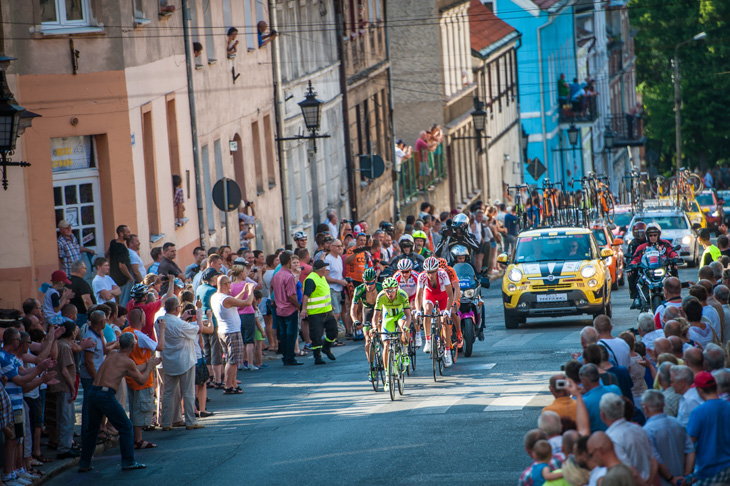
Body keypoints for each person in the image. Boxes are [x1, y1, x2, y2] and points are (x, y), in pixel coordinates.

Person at [78, 332, 161, 473]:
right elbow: (140, 379)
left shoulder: (113, 354)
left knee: (92, 429)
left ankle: (84, 463)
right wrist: (151, 366)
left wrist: (148, 364)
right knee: (126, 427)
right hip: (105, 395)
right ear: (133, 346)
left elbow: (132, 370)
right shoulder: (127, 361)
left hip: (94, 392)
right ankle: (128, 461)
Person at [122, 308, 164, 449]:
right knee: (141, 408)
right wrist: (161, 330)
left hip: (130, 376)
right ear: (142, 320)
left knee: (135, 407)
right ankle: (138, 439)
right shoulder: (139, 335)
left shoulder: (126, 331)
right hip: (142, 377)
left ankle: (136, 438)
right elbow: (160, 347)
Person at [160, 296, 204, 430]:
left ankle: (166, 422)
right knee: (188, 392)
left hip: (169, 360)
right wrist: (199, 311)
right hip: (185, 360)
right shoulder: (181, 324)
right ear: (178, 308)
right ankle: (191, 421)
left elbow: (174, 325)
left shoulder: (160, 321)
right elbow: (199, 329)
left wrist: (182, 318)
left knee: (168, 392)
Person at [641, 389, 695, 486]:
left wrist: (671, 478)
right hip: (682, 480)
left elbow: (655, 459)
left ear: (646, 407)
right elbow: (690, 450)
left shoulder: (647, 430)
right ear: (663, 405)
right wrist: (686, 476)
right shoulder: (677, 423)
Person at [600, 393, 658, 482]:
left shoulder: (610, 438)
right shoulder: (638, 428)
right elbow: (653, 461)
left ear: (602, 415)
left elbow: (631, 472)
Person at [211, 275, 254, 392]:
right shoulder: (225, 299)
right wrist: (250, 291)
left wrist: (243, 291)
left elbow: (234, 302)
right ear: (226, 284)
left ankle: (233, 383)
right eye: (229, 283)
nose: (231, 285)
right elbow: (247, 303)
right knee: (233, 360)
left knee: (231, 359)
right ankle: (228, 386)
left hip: (223, 331)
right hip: (232, 332)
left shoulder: (216, 297)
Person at [686, 371, 730, 484]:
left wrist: (687, 474)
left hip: (708, 470)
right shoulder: (728, 406)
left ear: (699, 390)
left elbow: (689, 445)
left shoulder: (698, 412)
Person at [415, 257, 454, 365]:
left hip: (443, 295)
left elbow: (450, 294)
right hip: (430, 293)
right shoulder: (422, 276)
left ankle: (447, 352)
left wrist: (447, 310)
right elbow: (419, 295)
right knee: (427, 311)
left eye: (433, 272)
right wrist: (418, 310)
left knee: (444, 321)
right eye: (428, 272)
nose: (430, 275)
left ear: (437, 270)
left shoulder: (443, 274)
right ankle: (428, 340)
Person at [372, 278, 412, 385]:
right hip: (388, 317)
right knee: (386, 345)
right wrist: (375, 327)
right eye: (387, 291)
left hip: (400, 315)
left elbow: (408, 315)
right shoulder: (380, 296)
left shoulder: (402, 295)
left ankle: (404, 352)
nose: (390, 293)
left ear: (397, 289)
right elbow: (375, 316)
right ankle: (387, 376)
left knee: (404, 328)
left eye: (392, 290)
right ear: (384, 290)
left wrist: (405, 327)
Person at [301, 260, 339, 365]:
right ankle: (317, 357)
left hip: (327, 311)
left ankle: (326, 348)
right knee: (316, 335)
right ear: (321, 269)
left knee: (333, 331)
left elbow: (322, 294)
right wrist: (304, 309)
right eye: (325, 268)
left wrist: (329, 304)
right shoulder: (311, 279)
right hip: (315, 313)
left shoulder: (322, 278)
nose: (326, 269)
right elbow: (306, 295)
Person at [270, 251, 302, 366]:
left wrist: (274, 300)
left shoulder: (277, 275)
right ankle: (290, 357)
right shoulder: (288, 276)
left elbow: (271, 286)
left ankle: (285, 356)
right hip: (289, 309)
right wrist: (298, 305)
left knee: (283, 334)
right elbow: (291, 295)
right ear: (289, 261)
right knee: (291, 335)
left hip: (279, 308)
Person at [108, 225, 134, 305]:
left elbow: (108, 254)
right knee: (124, 301)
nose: (129, 234)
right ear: (121, 234)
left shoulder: (113, 242)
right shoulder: (123, 249)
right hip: (123, 280)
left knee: (117, 301)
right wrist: (130, 277)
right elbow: (122, 265)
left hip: (113, 277)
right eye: (128, 232)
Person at [627, 221, 647, 308]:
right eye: (637, 233)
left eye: (642, 233)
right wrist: (630, 267)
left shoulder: (650, 241)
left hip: (650, 263)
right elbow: (629, 256)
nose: (640, 236)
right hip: (638, 264)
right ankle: (635, 297)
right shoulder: (632, 244)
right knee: (630, 275)